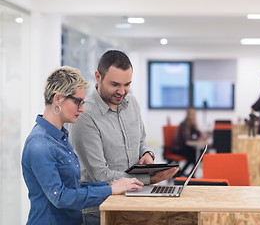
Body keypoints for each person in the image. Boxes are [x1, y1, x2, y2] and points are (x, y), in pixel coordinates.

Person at [21, 66, 143, 225]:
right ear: (58, 99)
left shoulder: (61, 137)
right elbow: (60, 197)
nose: (82, 108)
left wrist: (110, 184)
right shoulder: (40, 144)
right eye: (77, 102)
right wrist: (110, 190)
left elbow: (73, 185)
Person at [69, 50, 178, 224]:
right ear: (98, 76)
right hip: (100, 212)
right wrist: (149, 179)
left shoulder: (132, 103)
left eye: (127, 84)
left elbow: (142, 141)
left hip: (133, 203)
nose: (122, 91)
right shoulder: (85, 115)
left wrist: (148, 154)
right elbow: (100, 174)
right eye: (115, 84)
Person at [174, 107, 202, 174]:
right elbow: (185, 139)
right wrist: (193, 139)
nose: (193, 116)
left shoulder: (192, 125)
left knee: (200, 154)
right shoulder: (182, 125)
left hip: (187, 147)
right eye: (191, 114)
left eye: (194, 115)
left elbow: (199, 134)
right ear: (188, 115)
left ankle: (186, 174)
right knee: (194, 157)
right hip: (180, 148)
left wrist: (196, 126)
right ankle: (184, 174)